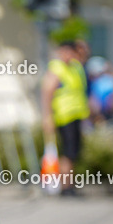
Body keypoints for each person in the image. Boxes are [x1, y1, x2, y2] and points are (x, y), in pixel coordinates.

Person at [41, 41, 90, 193]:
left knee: (74, 152)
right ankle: (65, 186)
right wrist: (47, 117)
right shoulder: (57, 68)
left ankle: (70, 184)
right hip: (64, 116)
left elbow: (84, 56)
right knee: (68, 152)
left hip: (76, 115)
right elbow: (47, 93)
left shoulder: (76, 68)